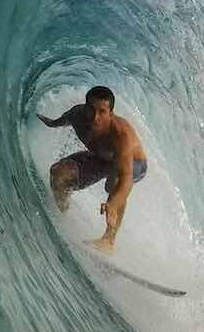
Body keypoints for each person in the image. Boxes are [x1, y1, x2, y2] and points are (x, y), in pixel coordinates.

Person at [39, 86, 149, 252]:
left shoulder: (121, 135)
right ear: (84, 107)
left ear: (111, 113)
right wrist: (49, 122)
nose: (95, 117)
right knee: (58, 173)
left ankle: (108, 240)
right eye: (91, 109)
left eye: (102, 111)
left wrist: (113, 203)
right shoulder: (76, 115)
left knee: (114, 184)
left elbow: (126, 178)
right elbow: (59, 122)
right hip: (102, 158)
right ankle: (63, 215)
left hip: (135, 163)